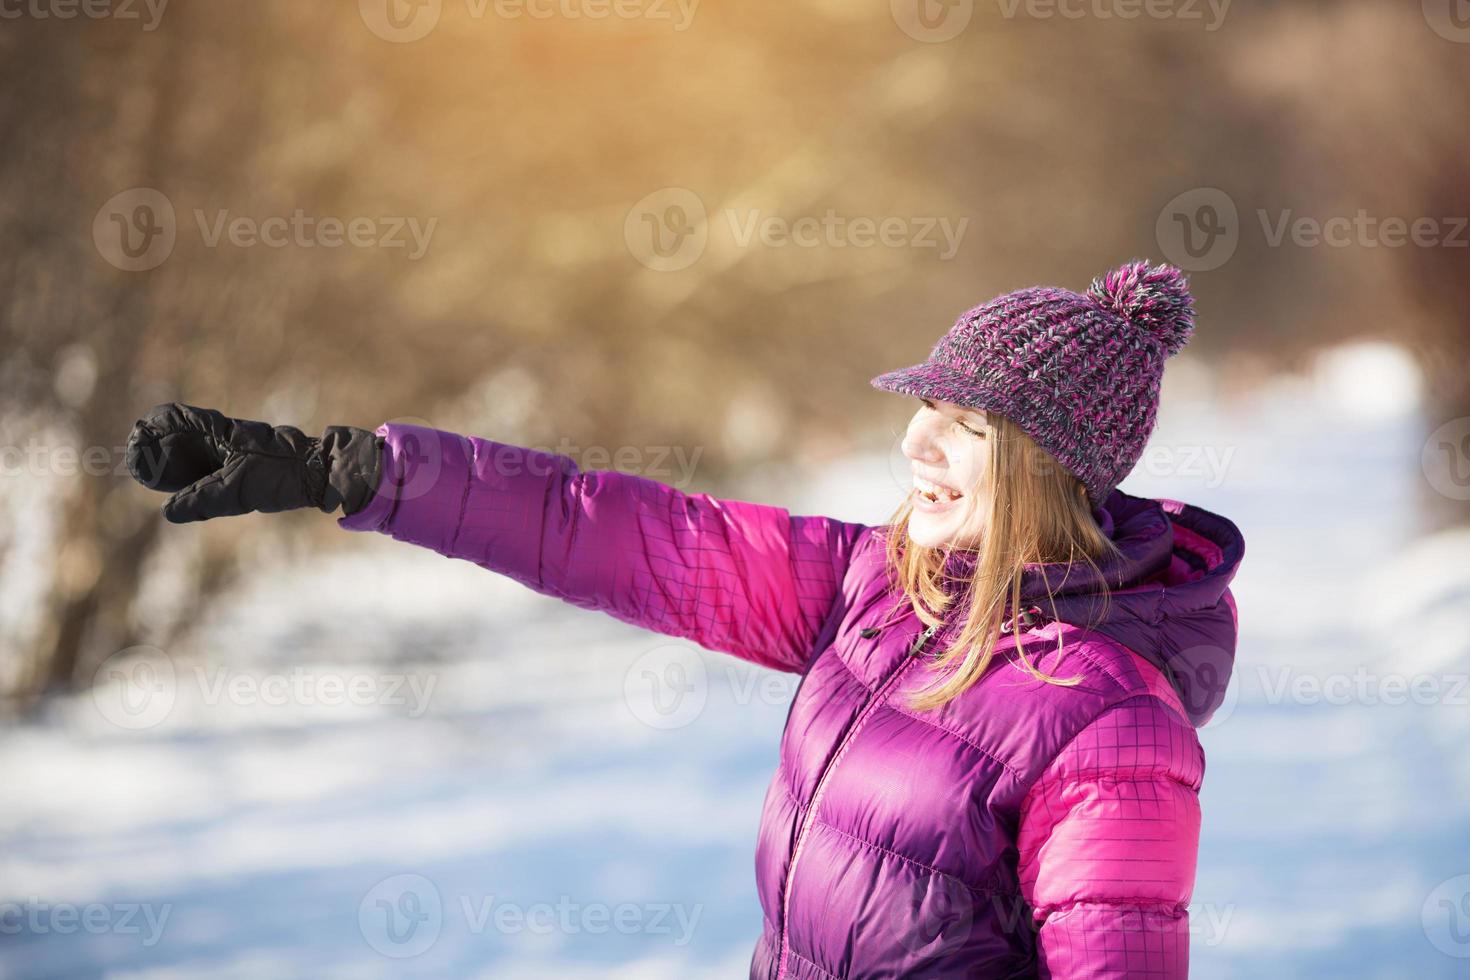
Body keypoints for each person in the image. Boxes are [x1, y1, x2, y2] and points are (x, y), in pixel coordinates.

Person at [125, 258, 1245, 979]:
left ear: (1052, 467)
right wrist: (349, 470)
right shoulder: (881, 589)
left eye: (964, 423)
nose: (916, 443)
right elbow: (610, 528)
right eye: (923, 409)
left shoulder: (1109, 725)